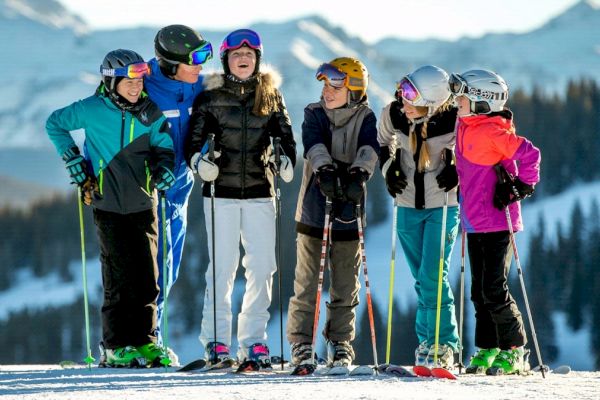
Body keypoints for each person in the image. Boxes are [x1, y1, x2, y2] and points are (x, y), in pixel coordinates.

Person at [46, 49, 176, 367]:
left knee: (147, 277)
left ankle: (145, 342)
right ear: (111, 80)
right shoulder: (91, 109)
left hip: (144, 203)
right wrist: (74, 160)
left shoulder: (149, 112)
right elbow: (55, 124)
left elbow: (164, 145)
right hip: (106, 204)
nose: (136, 87)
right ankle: (116, 345)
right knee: (119, 277)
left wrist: (164, 166)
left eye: (140, 80)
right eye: (128, 81)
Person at [185, 28, 296, 369]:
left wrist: (285, 159)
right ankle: (217, 342)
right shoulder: (210, 97)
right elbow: (193, 142)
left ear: (258, 59)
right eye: (236, 54)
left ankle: (254, 341)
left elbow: (285, 136)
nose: (243, 58)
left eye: (249, 54)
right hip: (221, 192)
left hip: (261, 192)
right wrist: (199, 162)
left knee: (263, 267)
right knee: (221, 268)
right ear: (226, 60)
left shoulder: (272, 95)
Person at [286, 57, 379, 369]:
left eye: (335, 84)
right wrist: (325, 170)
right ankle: (301, 343)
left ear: (353, 88)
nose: (327, 90)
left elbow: (369, 148)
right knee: (308, 281)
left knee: (344, 282)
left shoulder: (366, 117)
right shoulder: (314, 113)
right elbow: (312, 144)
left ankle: (340, 343)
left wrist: (358, 176)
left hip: (350, 207)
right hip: (315, 205)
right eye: (325, 84)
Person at [450, 69, 541, 374]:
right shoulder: (464, 124)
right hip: (474, 221)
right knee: (478, 290)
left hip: (498, 220)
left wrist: (520, 186)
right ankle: (488, 347)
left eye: (462, 95)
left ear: (481, 101)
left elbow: (530, 154)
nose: (456, 99)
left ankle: (514, 349)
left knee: (493, 288)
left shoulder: (491, 131)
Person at [378, 65, 460, 368]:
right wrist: (390, 170)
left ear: (433, 102)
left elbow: (468, 150)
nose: (405, 102)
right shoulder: (394, 113)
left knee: (432, 276)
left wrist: (457, 169)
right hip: (407, 205)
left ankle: (444, 344)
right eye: (404, 93)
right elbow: (382, 142)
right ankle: (427, 342)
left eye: (413, 98)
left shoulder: (453, 119)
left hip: (443, 206)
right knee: (421, 279)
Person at [144, 25, 212, 352]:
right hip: (147, 188)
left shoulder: (200, 85)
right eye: (194, 59)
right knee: (148, 264)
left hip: (181, 187)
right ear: (171, 64)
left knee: (169, 265)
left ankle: (146, 335)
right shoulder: (142, 85)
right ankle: (141, 337)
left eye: (204, 56)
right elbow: (108, 118)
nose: (201, 64)